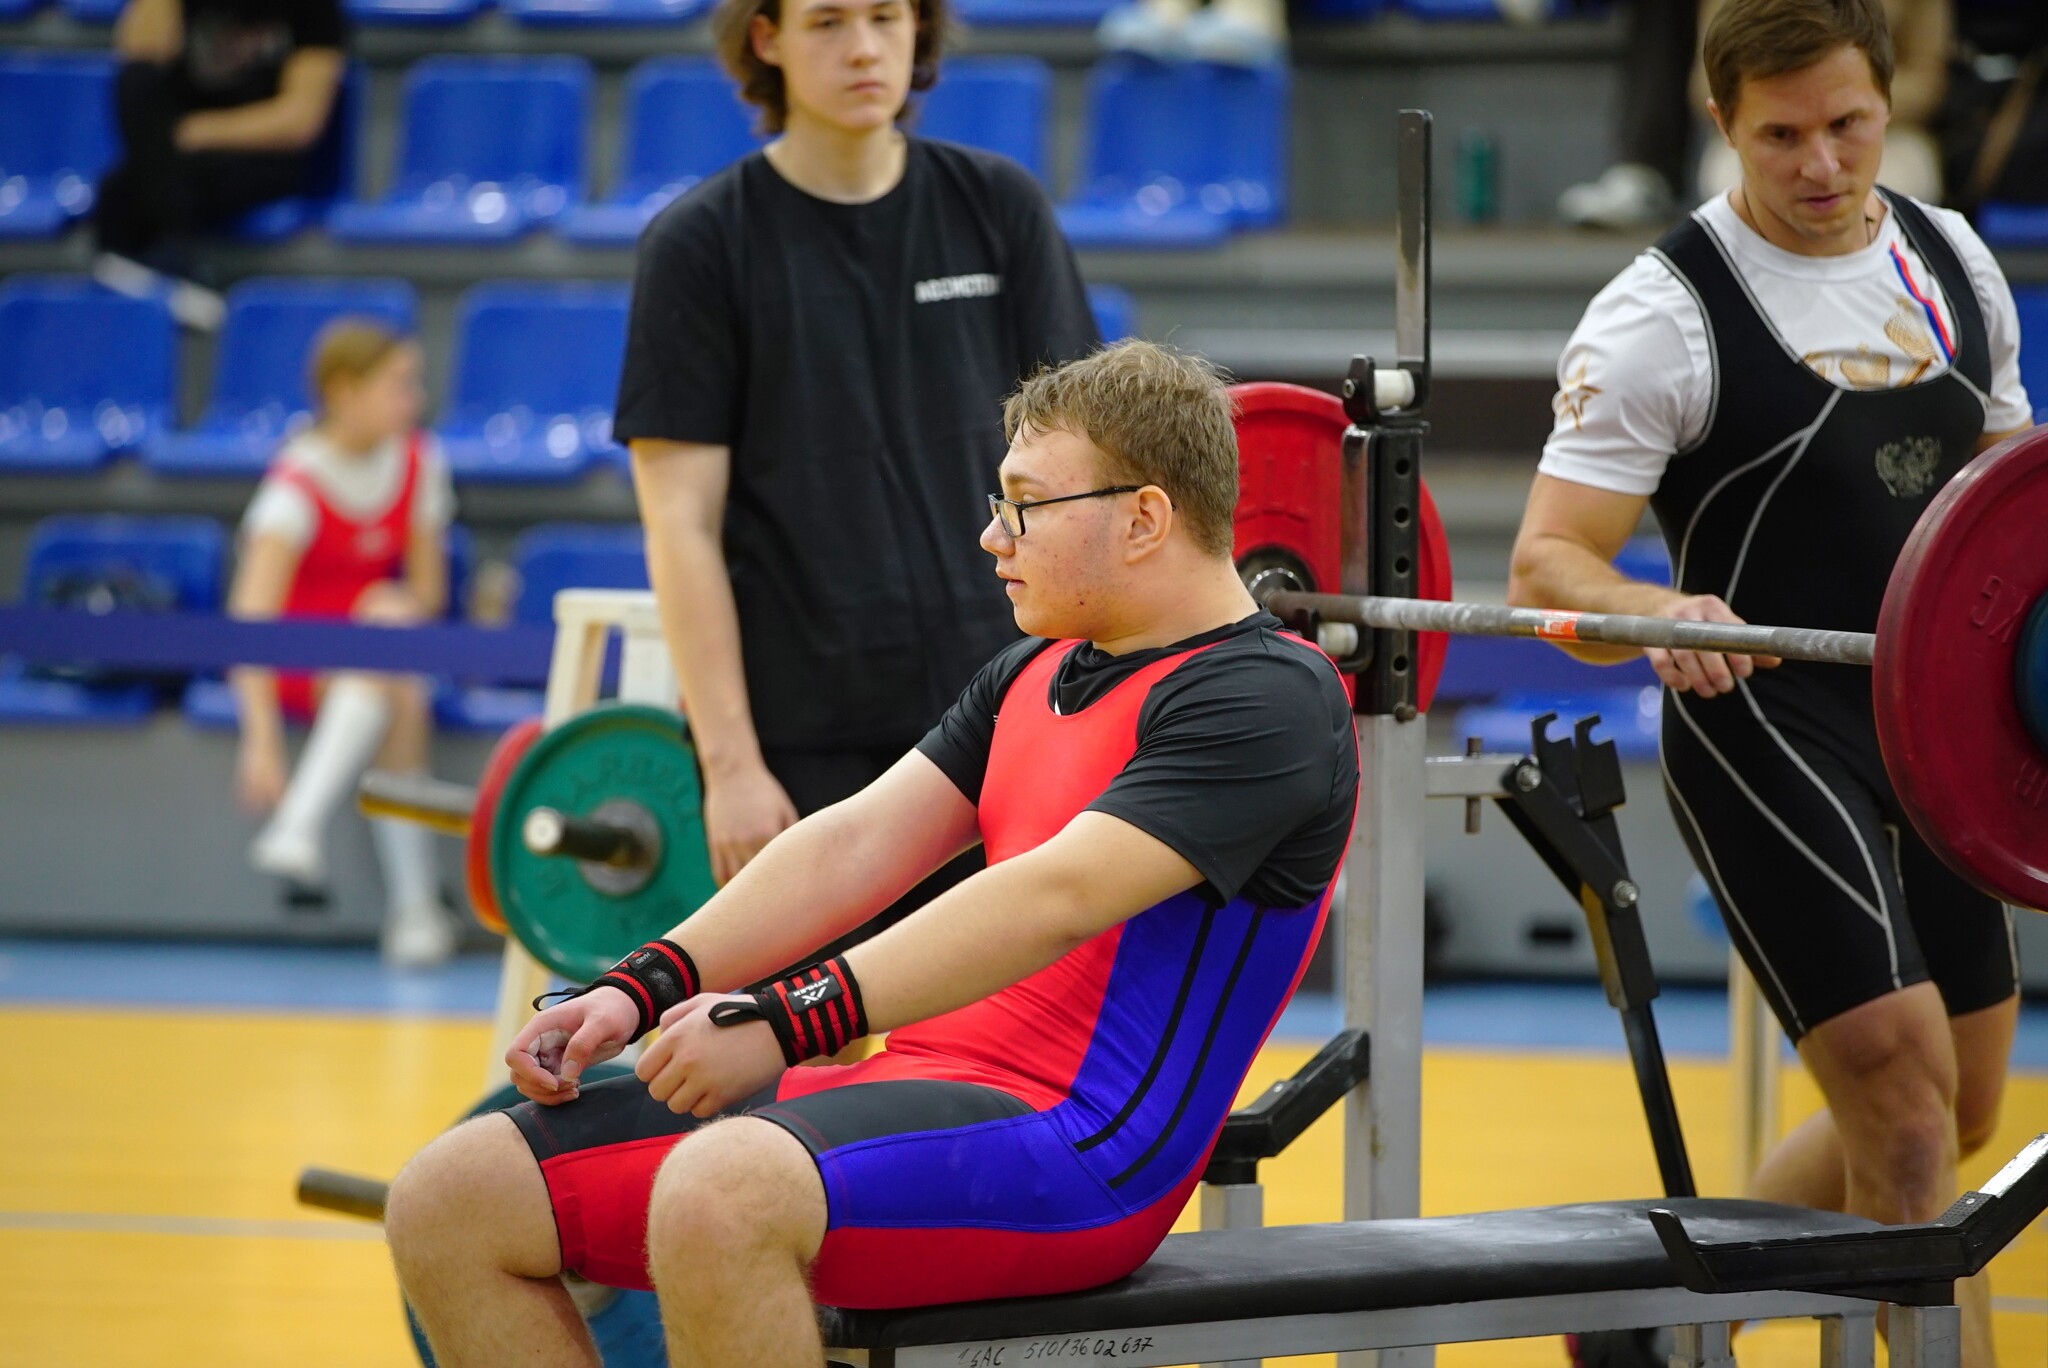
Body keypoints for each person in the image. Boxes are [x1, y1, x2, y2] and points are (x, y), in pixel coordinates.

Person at [382, 341, 1359, 1368]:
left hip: (1083, 1151)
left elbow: (1053, 897)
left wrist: (783, 1018)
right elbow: (854, 841)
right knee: (451, 1198)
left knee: (720, 1195)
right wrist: (638, 984)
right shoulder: (1033, 672)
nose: (991, 537)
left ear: (1144, 519)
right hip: (917, 1093)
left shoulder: (1266, 698)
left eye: (1023, 504)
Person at [1508, 3, 2032, 1366]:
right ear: (1724, 123)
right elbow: (1548, 564)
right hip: (1766, 726)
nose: (1819, 163)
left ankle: (1647, 1311)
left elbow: (2011, 506)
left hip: (1940, 733)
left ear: (1885, 102)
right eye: (1780, 135)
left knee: (1963, 1109)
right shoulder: (1661, 312)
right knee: (1909, 1127)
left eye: (1848, 126)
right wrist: (1653, 606)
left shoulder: (1951, 261)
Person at [615, 0, 1100, 954]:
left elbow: (1088, 465)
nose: (866, 47)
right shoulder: (699, 245)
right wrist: (732, 766)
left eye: (886, 16)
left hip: (1000, 716)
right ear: (767, 39)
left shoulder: (998, 206)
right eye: (828, 21)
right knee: (779, 1072)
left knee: (980, 1074)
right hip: (802, 736)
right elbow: (679, 524)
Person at [229, 319, 463, 969]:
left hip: (380, 655)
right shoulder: (294, 486)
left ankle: (301, 828)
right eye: (397, 385)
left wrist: (399, 604)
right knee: (391, 677)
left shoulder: (421, 462)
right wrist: (261, 741)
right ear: (343, 390)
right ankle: (414, 907)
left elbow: (429, 591)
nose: (412, 400)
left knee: (393, 673)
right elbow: (250, 626)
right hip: (301, 668)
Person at [93, 0, 346, 329]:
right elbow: (140, 56)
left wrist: (196, 131)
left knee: (120, 198)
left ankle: (161, 260)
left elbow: (300, 121)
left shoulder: (315, 8)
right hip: (174, 154)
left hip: (256, 152)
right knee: (136, 85)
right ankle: (174, 262)